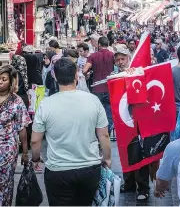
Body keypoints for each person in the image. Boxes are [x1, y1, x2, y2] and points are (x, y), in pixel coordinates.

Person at [31, 58, 111, 206]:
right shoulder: (93, 101)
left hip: (57, 170)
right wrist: (107, 158)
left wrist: (36, 159)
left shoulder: (45, 104)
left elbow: (35, 140)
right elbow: (104, 135)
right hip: (89, 168)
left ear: (54, 76)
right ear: (76, 75)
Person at [111, 46, 151, 201]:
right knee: (125, 153)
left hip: (138, 121)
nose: (120, 62)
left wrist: (133, 76)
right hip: (122, 121)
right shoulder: (115, 75)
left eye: (123, 58)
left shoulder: (138, 72)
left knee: (139, 154)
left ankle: (143, 187)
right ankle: (128, 183)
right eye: (118, 59)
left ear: (129, 58)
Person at [0, 65, 31, 206]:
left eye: (3, 79)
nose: (0, 81)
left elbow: (22, 128)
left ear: (11, 82)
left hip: (7, 151)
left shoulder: (16, 101)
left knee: (5, 185)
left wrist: (25, 153)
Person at [83, 36, 115, 134]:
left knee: (97, 114)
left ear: (99, 45)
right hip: (110, 88)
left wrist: (87, 75)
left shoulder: (93, 56)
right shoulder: (112, 55)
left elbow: (84, 70)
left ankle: (98, 135)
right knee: (109, 112)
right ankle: (107, 133)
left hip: (97, 89)